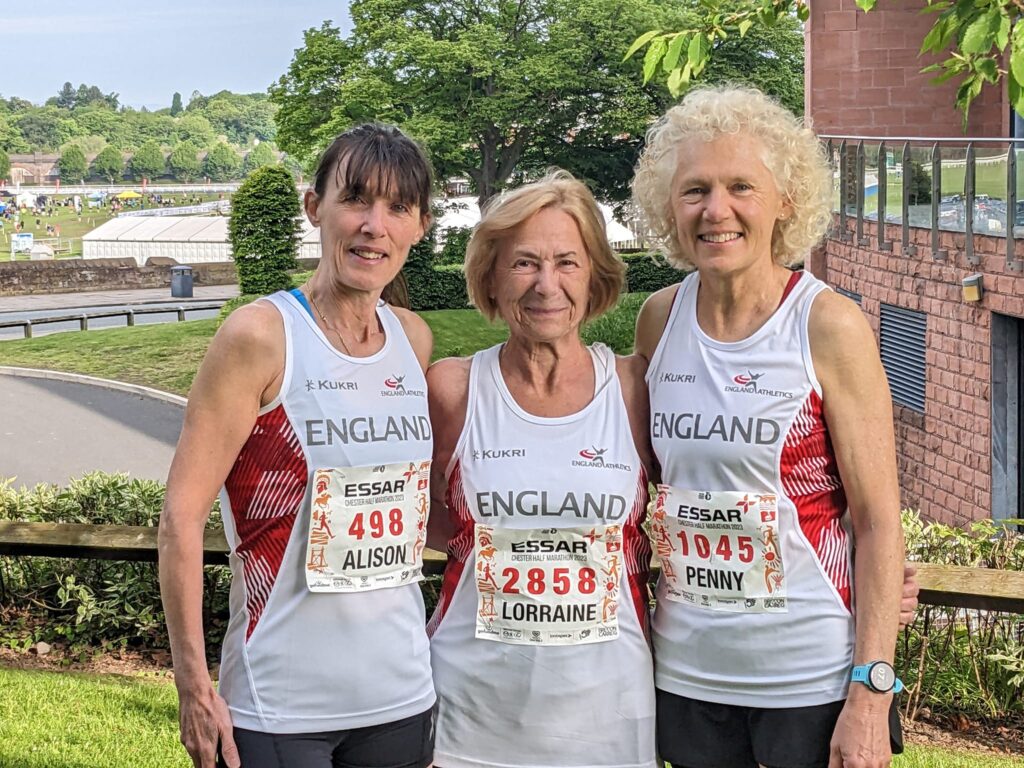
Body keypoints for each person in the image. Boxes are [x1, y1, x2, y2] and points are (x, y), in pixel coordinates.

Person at [632, 85, 906, 768]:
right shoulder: (659, 319)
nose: (715, 210)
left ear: (785, 200)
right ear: (670, 205)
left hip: (809, 678)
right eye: (695, 190)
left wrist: (871, 692)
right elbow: (648, 491)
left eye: (740, 187)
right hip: (688, 673)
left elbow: (877, 519)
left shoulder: (827, 324)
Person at [158, 124, 437, 768]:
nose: (374, 225)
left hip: (401, 692)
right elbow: (181, 518)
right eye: (356, 199)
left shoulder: (412, 340)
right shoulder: (261, 335)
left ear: (419, 225)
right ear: (316, 208)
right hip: (281, 702)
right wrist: (192, 685)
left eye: (398, 207)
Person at [426, 171, 659, 768]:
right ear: (493, 279)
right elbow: (421, 526)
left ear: (596, 275)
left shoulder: (635, 388)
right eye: (524, 264)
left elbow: (730, 492)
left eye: (567, 263)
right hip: (469, 712)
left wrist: (873, 567)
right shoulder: (454, 389)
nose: (546, 285)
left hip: (609, 715)